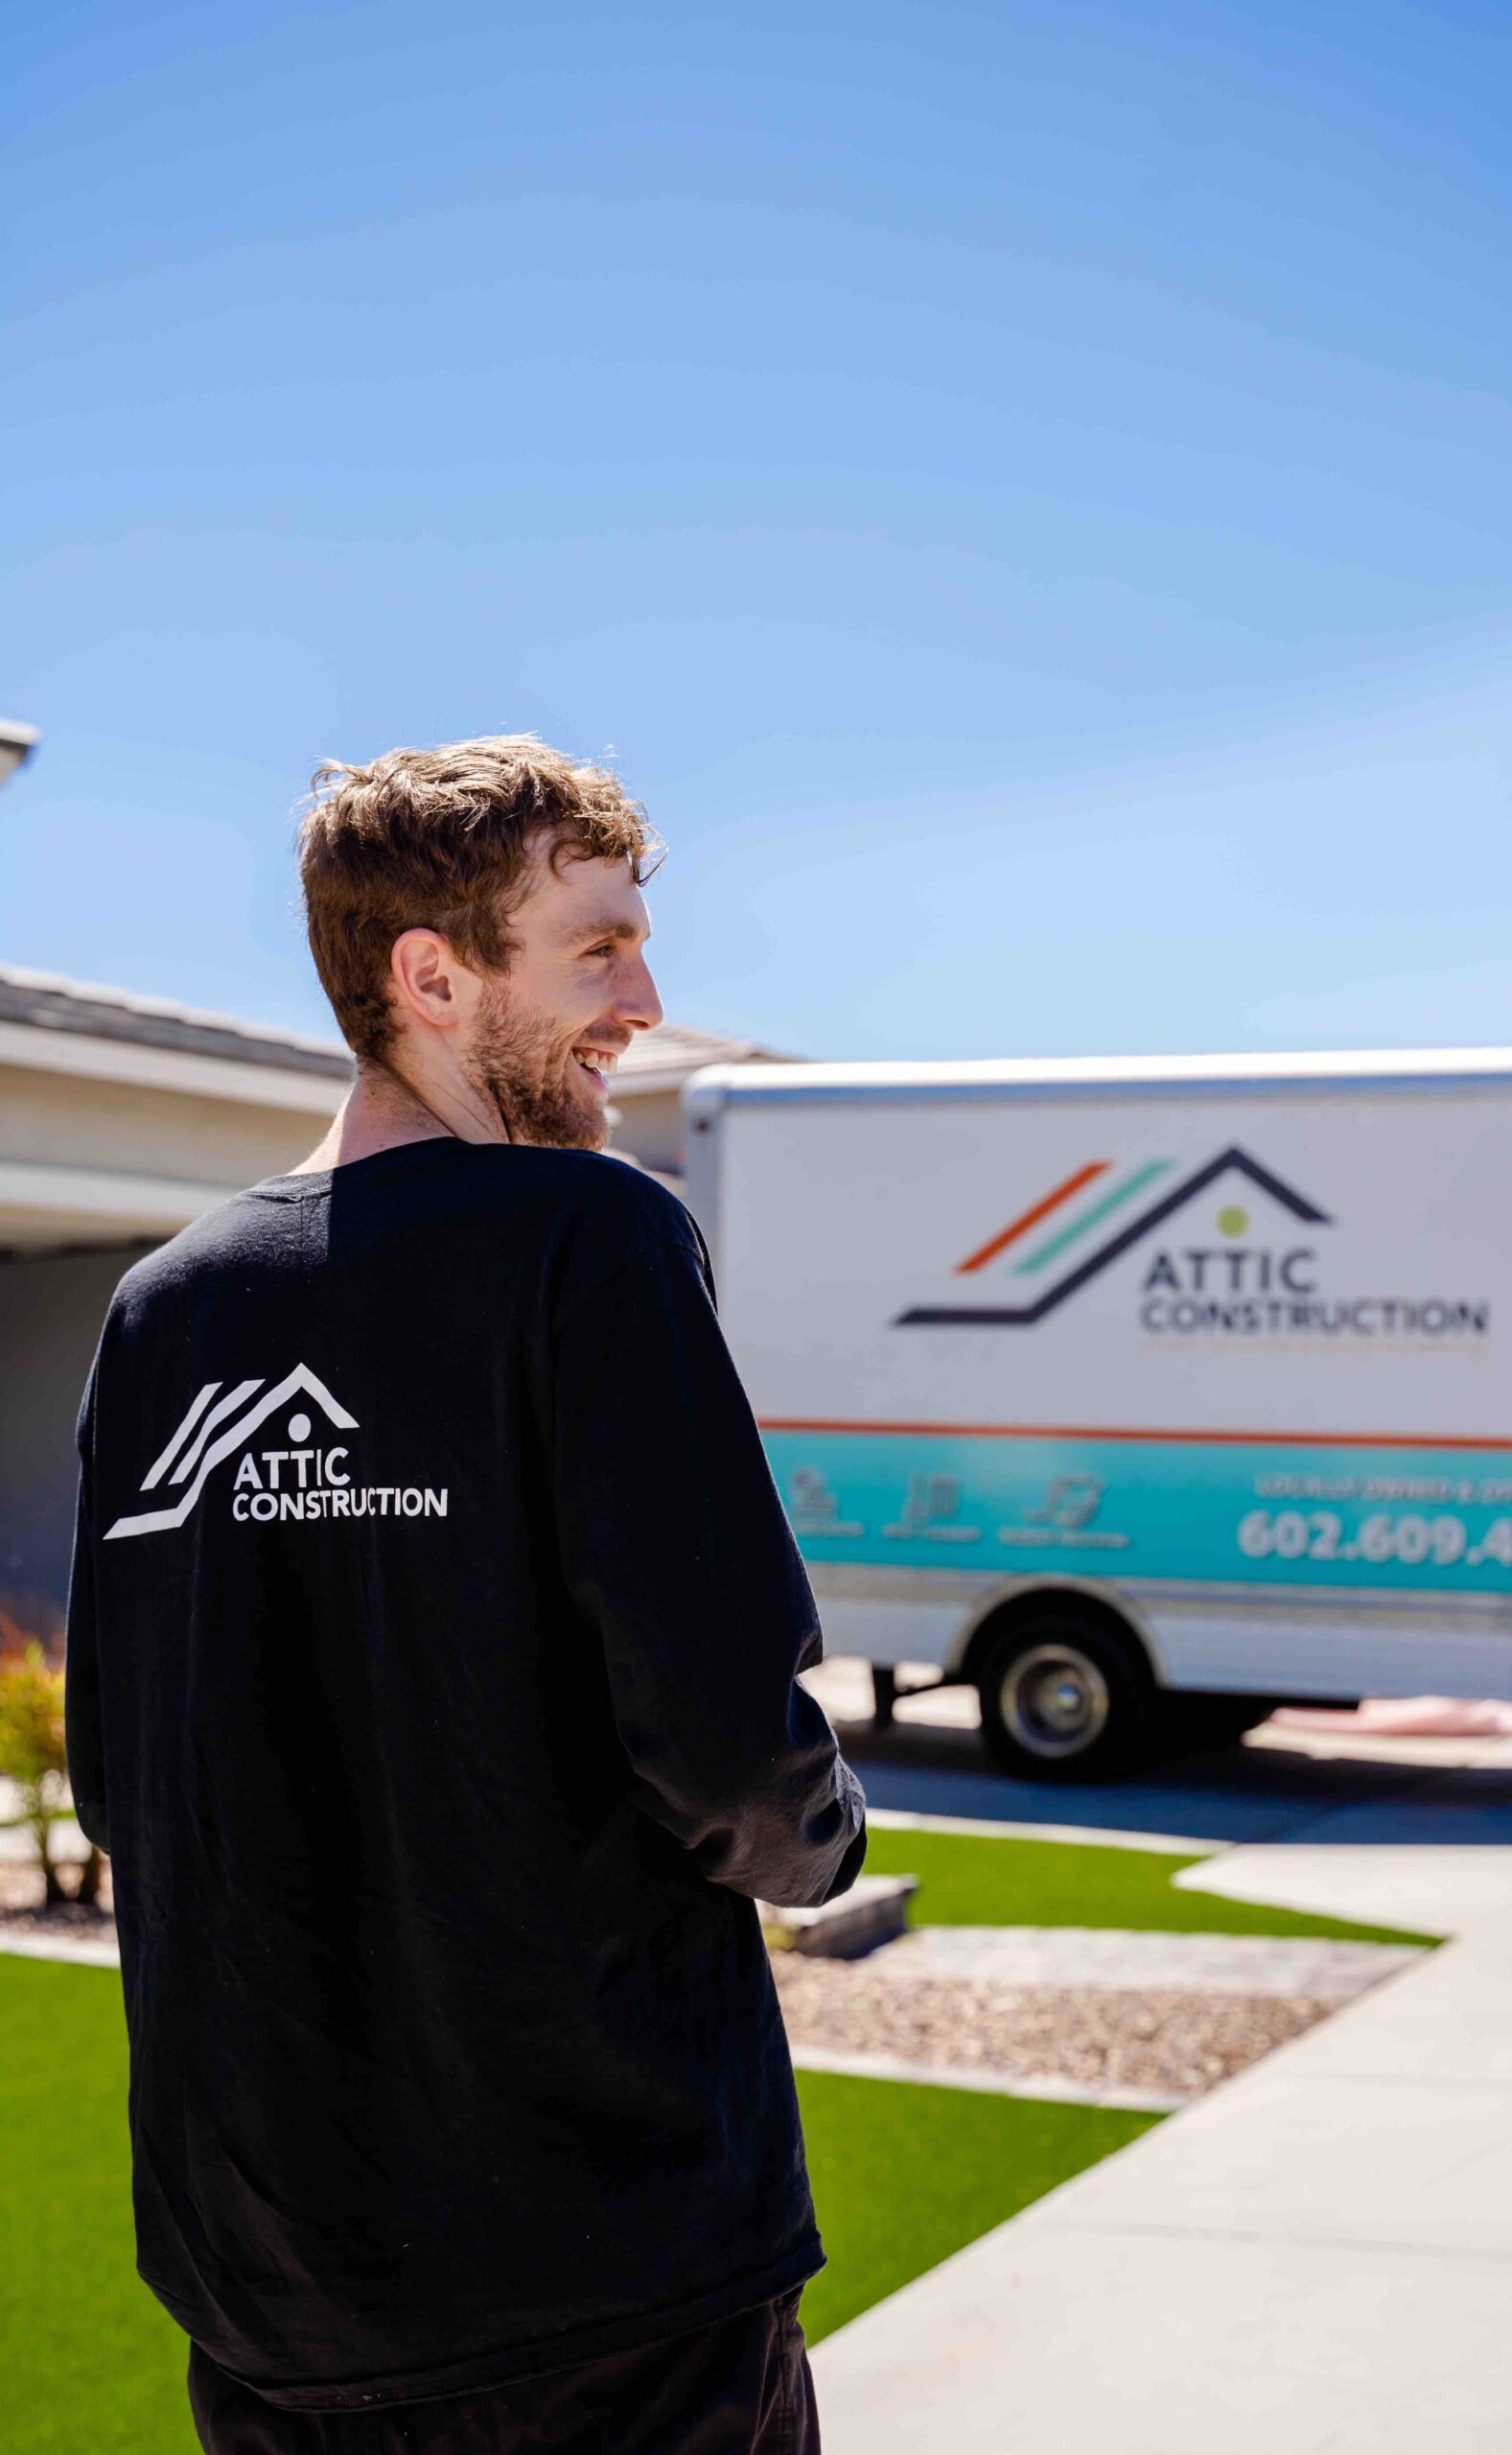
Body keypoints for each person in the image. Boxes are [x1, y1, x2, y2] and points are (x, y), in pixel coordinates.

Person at [64, 736, 866, 2454]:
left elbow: (125, 1790)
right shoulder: (595, 1241)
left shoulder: (161, 1313)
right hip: (607, 2267)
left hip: (273, 2294)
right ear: (430, 976)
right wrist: (825, 1845)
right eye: (596, 946)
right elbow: (732, 1753)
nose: (643, 998)